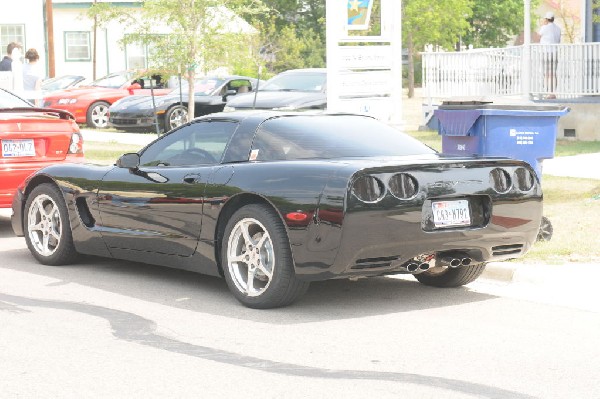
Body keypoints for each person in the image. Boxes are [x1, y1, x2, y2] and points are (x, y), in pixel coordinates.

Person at [539, 11, 561, 99]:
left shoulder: (545, 27)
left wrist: (543, 24)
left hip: (547, 52)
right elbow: (558, 40)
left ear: (546, 19)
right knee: (553, 73)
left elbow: (538, 36)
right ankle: (552, 93)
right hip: (555, 53)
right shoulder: (558, 28)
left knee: (547, 73)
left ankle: (549, 93)